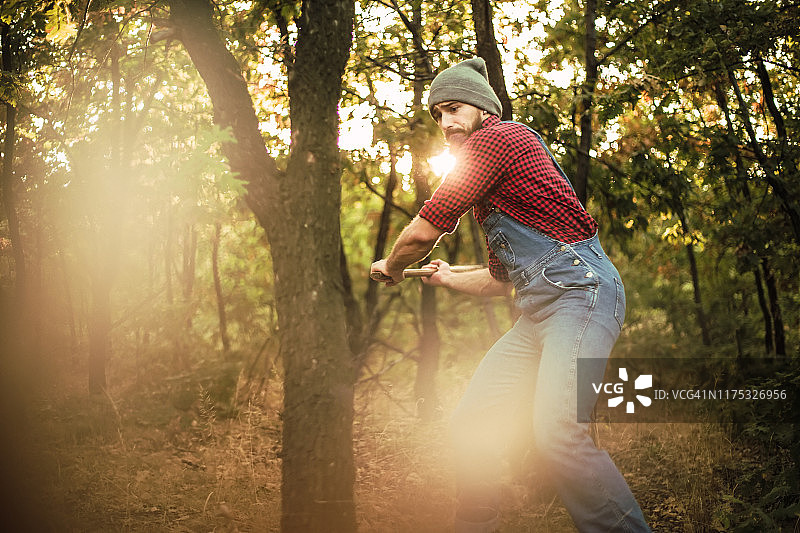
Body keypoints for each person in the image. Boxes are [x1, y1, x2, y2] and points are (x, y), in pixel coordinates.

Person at [370, 57, 651, 533]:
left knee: (559, 433)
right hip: (538, 313)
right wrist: (446, 277)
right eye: (438, 115)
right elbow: (502, 282)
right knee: (470, 424)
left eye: (454, 108)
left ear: (482, 108)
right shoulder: (495, 194)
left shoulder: (500, 138)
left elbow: (425, 229)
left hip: (582, 294)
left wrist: (392, 266)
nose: (446, 122)